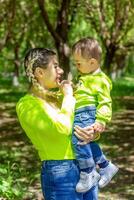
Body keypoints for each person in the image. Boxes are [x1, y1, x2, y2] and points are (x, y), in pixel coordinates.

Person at [16, 48, 99, 200]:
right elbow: (62, 128)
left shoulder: (60, 98)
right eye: (55, 66)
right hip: (60, 171)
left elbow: (84, 120)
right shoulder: (27, 105)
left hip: (86, 166)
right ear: (40, 72)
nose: (61, 70)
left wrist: (93, 133)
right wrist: (68, 96)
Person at [71, 37, 118, 193]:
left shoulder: (100, 80)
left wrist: (101, 121)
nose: (76, 66)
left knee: (79, 141)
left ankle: (88, 172)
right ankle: (105, 166)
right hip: (80, 113)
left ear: (91, 62)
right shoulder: (85, 77)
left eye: (78, 63)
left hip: (87, 113)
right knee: (87, 142)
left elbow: (105, 102)